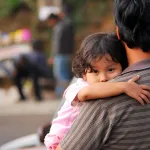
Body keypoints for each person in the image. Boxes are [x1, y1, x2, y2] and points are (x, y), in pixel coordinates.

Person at [56, 0, 150, 149]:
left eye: (110, 69)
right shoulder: (90, 90)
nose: (103, 78)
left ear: (118, 33)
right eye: (95, 71)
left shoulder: (104, 101)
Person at [47, 13, 74, 98]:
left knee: (60, 75)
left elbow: (56, 43)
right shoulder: (67, 25)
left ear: (52, 20)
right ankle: (64, 93)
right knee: (65, 74)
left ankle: (62, 93)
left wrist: (53, 56)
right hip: (67, 54)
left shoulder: (58, 27)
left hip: (60, 55)